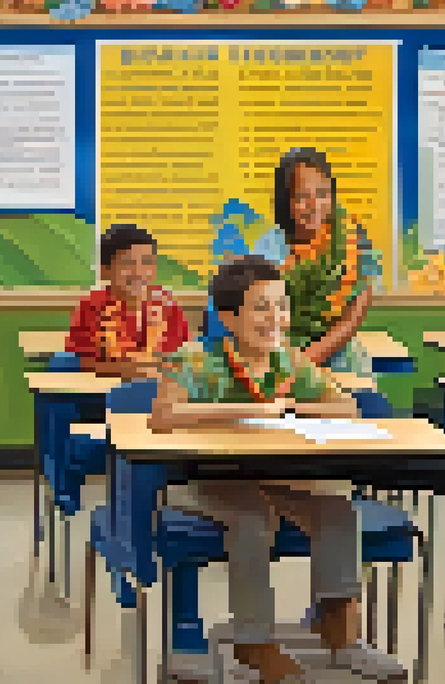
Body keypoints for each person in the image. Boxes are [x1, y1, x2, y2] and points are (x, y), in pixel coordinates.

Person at [152, 256, 404, 684]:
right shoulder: (195, 359)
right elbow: (162, 416)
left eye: (281, 306)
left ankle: (341, 636)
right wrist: (240, 410)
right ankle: (254, 642)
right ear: (230, 317)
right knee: (252, 518)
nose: (276, 318)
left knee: (337, 510)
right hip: (199, 480)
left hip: (273, 476)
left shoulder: (288, 361)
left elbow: (348, 406)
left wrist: (289, 407)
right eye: (261, 307)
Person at [205, 148, 381, 373]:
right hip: (272, 359)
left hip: (336, 358)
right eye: (302, 197)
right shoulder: (267, 251)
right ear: (285, 201)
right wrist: (284, 368)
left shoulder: (350, 241)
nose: (314, 205)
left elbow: (354, 313)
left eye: (322, 193)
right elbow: (247, 320)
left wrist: (302, 364)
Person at [66, 225, 189, 379]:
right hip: (104, 392)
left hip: (159, 390)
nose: (138, 272)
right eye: (127, 263)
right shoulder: (91, 307)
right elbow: (86, 363)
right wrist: (128, 370)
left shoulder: (168, 306)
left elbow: (179, 358)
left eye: (147, 262)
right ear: (105, 271)